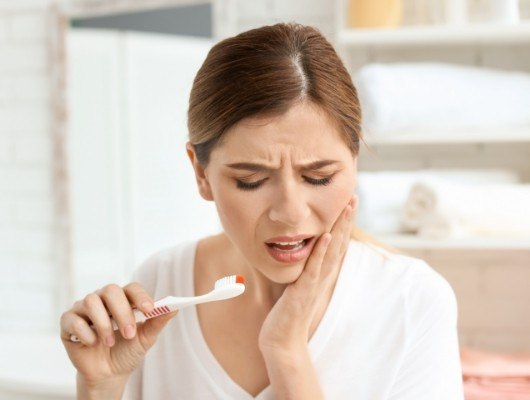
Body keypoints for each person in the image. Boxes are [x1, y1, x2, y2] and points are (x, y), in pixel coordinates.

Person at [60, 23, 464, 399]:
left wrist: (286, 352)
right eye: (251, 180)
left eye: (319, 177)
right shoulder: (161, 286)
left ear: (354, 162)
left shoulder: (412, 302)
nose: (289, 213)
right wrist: (101, 385)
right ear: (201, 173)